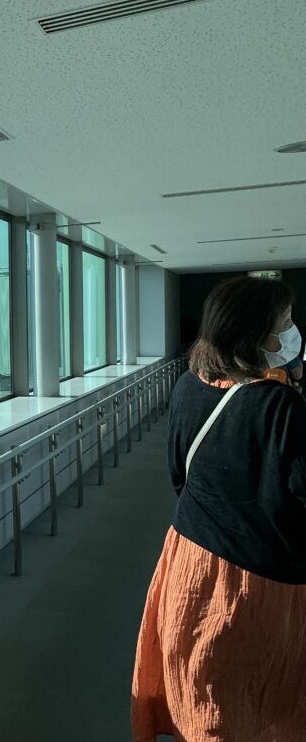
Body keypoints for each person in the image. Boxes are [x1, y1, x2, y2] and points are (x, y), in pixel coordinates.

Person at [131, 276, 306, 741]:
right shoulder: (280, 406)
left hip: (189, 558)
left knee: (202, 690)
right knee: (260, 697)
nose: (292, 331)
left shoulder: (188, 385)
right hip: (259, 583)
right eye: (285, 322)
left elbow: (178, 476)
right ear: (256, 334)